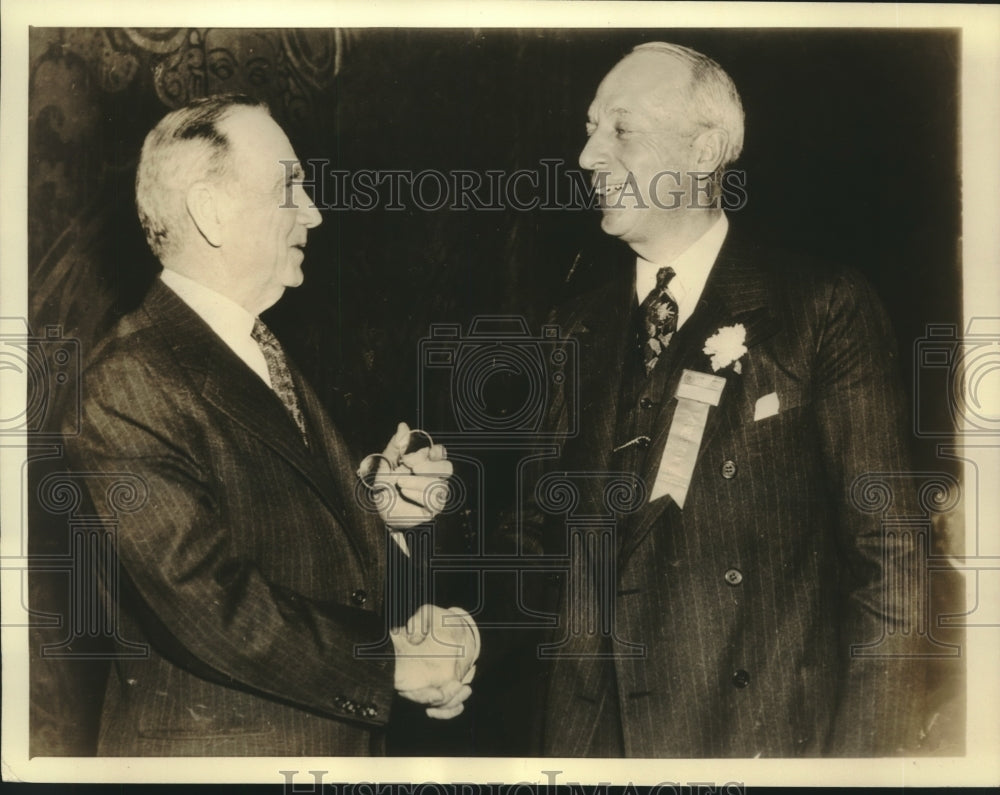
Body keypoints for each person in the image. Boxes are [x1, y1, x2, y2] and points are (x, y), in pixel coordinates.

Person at [511, 42, 925, 757]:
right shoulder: (569, 329)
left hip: (755, 743)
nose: (587, 156)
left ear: (704, 150)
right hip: (595, 750)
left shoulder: (821, 308)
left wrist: (854, 771)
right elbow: (531, 551)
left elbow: (893, 568)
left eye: (620, 128)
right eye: (588, 128)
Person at [63, 94, 478, 756]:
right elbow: (206, 600)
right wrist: (392, 663)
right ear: (211, 210)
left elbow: (288, 548)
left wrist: (382, 519)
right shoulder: (128, 379)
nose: (313, 212)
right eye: (291, 187)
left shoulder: (254, 348)